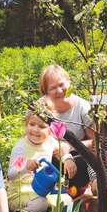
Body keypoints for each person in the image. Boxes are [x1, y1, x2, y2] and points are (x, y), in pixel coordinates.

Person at [6, 99, 77, 212]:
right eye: (32, 124)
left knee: (67, 201)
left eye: (42, 126)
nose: (35, 129)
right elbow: (11, 175)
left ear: (50, 130)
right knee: (40, 204)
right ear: (26, 124)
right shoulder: (21, 147)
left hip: (45, 187)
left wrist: (67, 158)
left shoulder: (49, 141)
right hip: (22, 190)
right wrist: (25, 166)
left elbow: (62, 147)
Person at [39, 65, 93, 194]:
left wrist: (68, 147)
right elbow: (33, 138)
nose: (59, 91)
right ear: (45, 92)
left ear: (69, 83)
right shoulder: (41, 109)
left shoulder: (83, 106)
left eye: (61, 84)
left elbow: (95, 140)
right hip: (50, 155)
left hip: (77, 154)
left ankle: (77, 192)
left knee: (81, 163)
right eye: (52, 88)